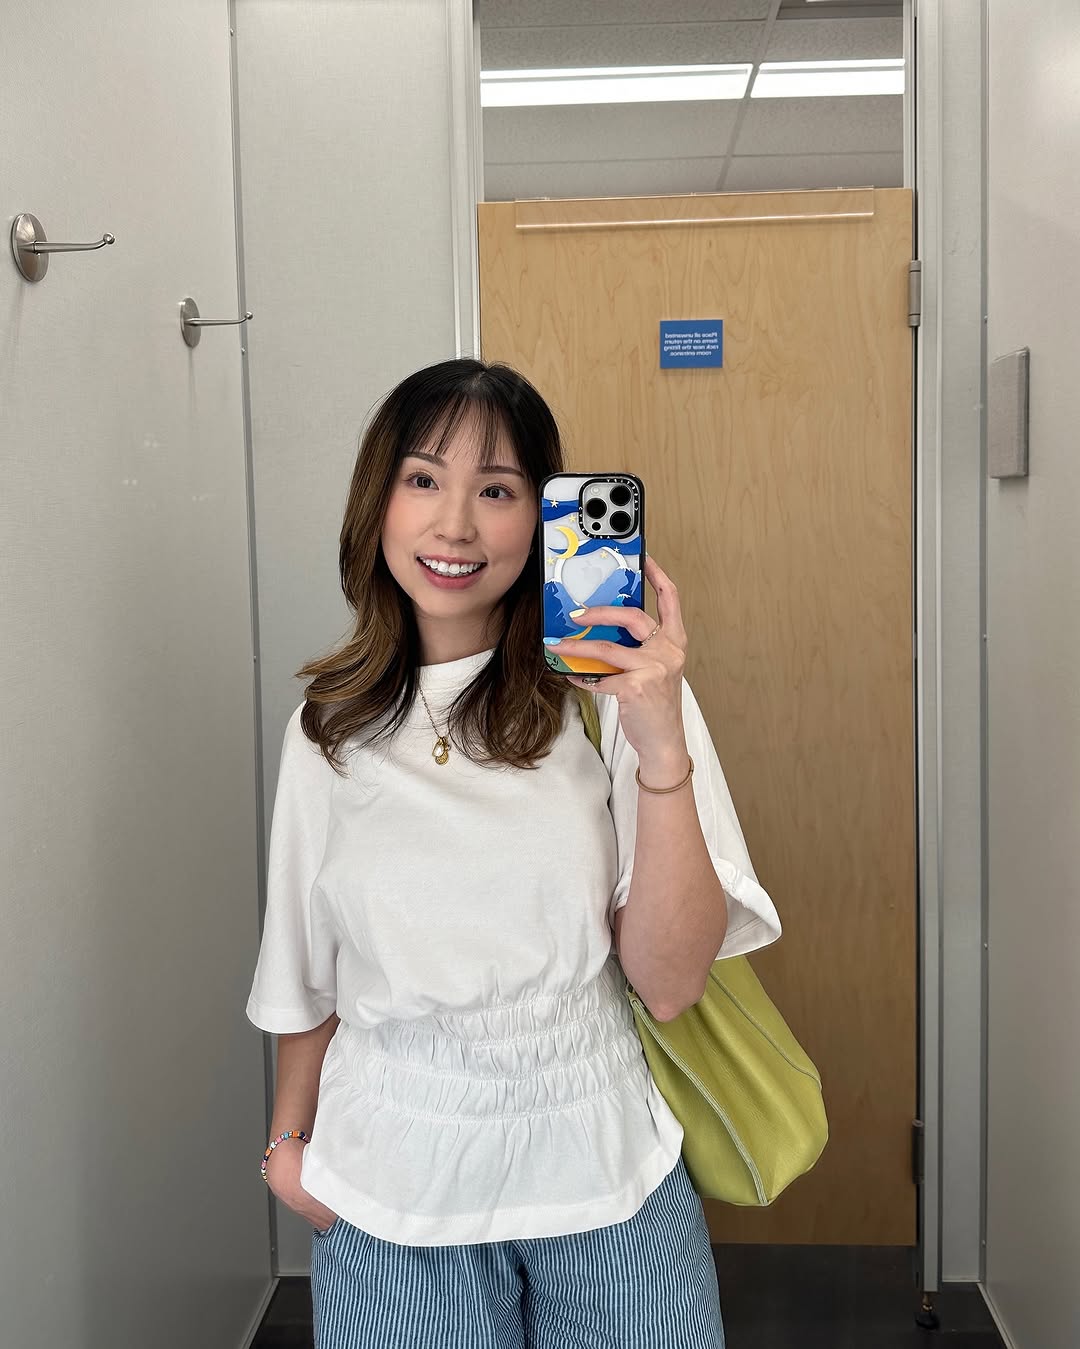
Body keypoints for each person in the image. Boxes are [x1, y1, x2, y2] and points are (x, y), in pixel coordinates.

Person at [246, 358, 781, 1349]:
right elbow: (305, 974)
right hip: (389, 1181)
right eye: (423, 479)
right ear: (378, 501)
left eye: (495, 490)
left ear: (542, 519)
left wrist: (662, 740)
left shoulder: (615, 695)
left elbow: (670, 984)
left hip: (604, 1170)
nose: (455, 523)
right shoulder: (329, 728)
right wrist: (288, 1144)